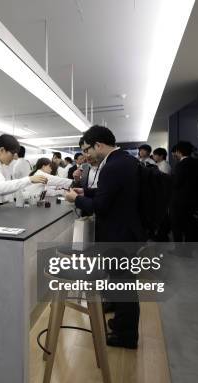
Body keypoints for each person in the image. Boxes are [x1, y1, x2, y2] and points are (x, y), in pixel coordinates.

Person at [65, 126, 145, 349]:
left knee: (124, 286)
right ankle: (121, 324)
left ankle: (126, 336)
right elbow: (111, 194)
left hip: (119, 234)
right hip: (127, 231)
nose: (86, 155)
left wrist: (75, 199)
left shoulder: (112, 166)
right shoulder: (124, 161)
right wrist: (85, 192)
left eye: (87, 149)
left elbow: (100, 206)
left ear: (98, 145)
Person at [169, 141, 198, 253]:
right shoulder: (196, 163)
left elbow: (176, 183)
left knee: (176, 225)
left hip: (179, 201)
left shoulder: (181, 165)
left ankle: (179, 250)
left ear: (179, 151)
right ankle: (187, 250)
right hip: (191, 200)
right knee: (189, 226)